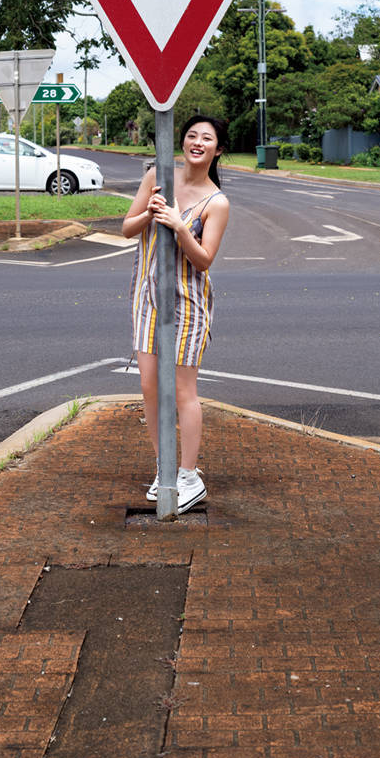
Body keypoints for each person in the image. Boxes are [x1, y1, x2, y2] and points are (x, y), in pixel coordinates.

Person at [121, 115, 230, 511]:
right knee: (150, 387)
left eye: (207, 139)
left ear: (218, 150)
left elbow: (204, 261)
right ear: (182, 142)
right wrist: (152, 213)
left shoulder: (217, 202)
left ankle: (188, 475)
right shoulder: (157, 175)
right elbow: (127, 228)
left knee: (183, 391)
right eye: (191, 136)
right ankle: (163, 466)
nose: (197, 142)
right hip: (148, 298)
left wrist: (181, 228)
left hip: (187, 304)